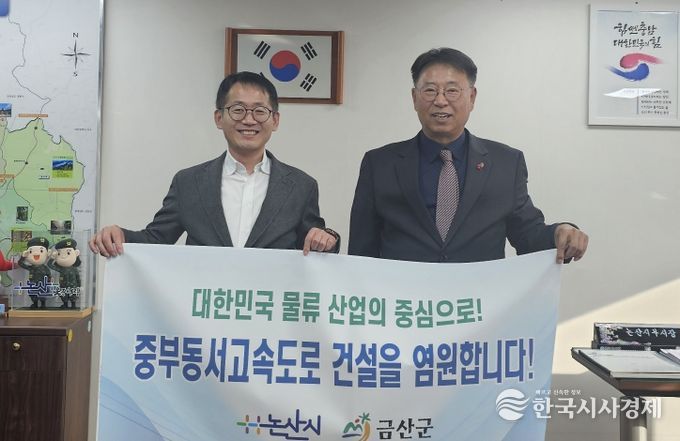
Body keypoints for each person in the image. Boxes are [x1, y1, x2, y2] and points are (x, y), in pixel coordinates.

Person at [348, 48, 588, 264]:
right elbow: (361, 251)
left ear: (471, 97)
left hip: (478, 298)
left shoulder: (506, 163)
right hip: (404, 297)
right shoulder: (379, 164)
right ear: (414, 98)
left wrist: (561, 232)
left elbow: (527, 235)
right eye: (430, 90)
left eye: (452, 91)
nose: (440, 101)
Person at [90, 72, 338, 257]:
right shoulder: (188, 183)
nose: (249, 120)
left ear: (275, 120)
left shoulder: (301, 186)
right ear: (219, 118)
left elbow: (315, 243)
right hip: (206, 307)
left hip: (269, 309)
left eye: (259, 111)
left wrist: (328, 238)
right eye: (238, 109)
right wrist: (120, 235)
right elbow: (157, 239)